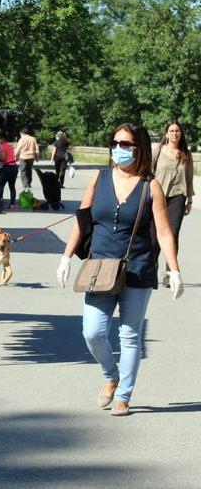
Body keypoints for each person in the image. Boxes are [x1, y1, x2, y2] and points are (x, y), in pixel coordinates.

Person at [56, 123, 183, 417]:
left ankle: (123, 396)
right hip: (99, 268)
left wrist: (173, 270)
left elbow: (164, 232)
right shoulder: (99, 179)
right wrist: (65, 257)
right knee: (93, 332)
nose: (118, 149)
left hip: (137, 268)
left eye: (125, 144)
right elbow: (82, 221)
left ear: (138, 148)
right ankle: (110, 375)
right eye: (115, 143)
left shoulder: (150, 186)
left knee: (129, 335)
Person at [152, 121, 194, 287]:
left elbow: (189, 178)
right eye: (172, 131)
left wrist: (189, 200)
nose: (175, 133)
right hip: (158, 196)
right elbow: (147, 171)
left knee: (173, 234)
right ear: (166, 133)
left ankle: (170, 273)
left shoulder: (186, 154)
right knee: (154, 236)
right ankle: (150, 270)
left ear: (181, 134)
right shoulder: (158, 151)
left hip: (178, 197)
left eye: (177, 131)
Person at [0, 132, 18, 209]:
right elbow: (10, 156)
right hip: (14, 167)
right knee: (12, 186)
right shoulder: (10, 146)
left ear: (3, 139)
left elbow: (3, 158)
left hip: (7, 167)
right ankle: (12, 204)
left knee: (1, 185)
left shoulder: (2, 146)